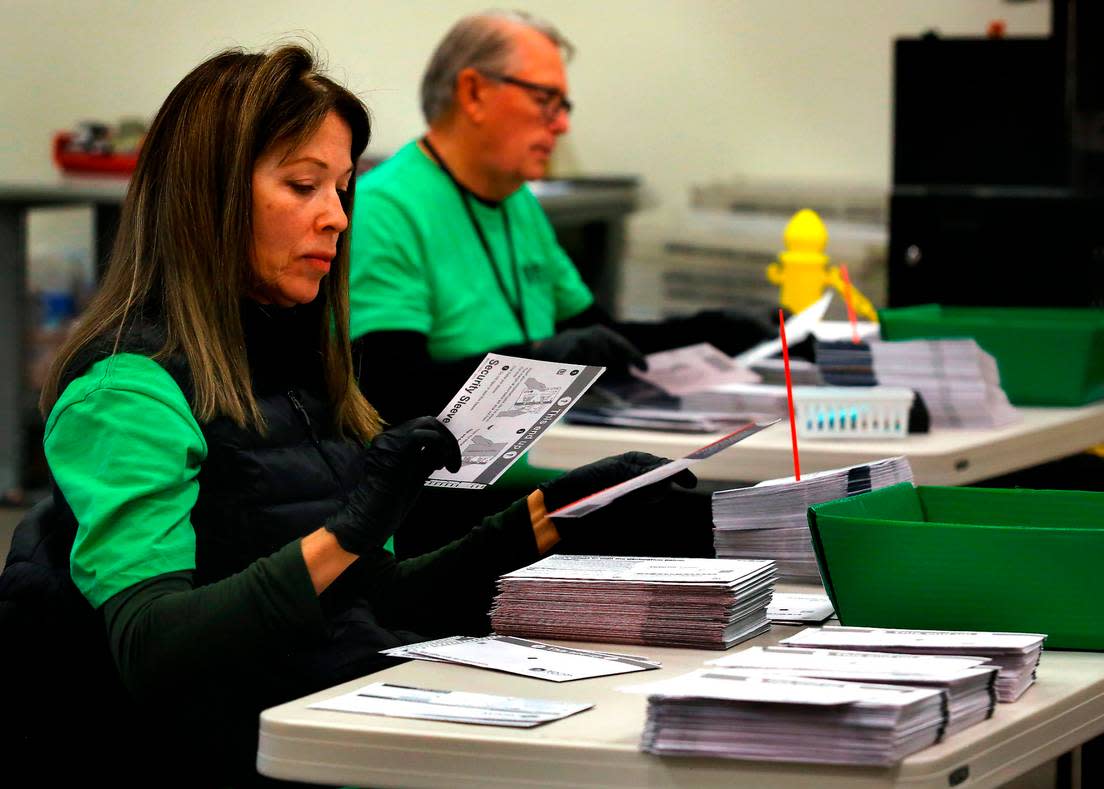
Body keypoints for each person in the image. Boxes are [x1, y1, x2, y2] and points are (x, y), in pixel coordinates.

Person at [0, 44, 700, 787]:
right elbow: (154, 648)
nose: (336, 217)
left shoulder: (300, 362)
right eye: (303, 185)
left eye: (341, 189)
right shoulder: (126, 389)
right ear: (210, 196)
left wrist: (547, 519)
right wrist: (349, 531)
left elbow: (363, 602)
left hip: (321, 711)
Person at [349, 9, 778, 429]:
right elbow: (391, 392)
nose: (562, 125)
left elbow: (598, 339)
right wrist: (540, 359)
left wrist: (720, 330)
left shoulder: (516, 200)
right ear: (474, 93)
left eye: (563, 105)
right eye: (545, 101)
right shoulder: (384, 209)